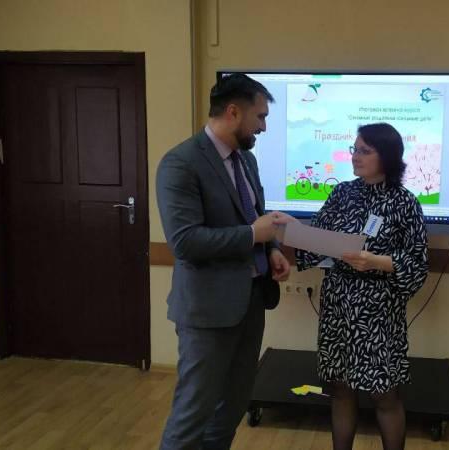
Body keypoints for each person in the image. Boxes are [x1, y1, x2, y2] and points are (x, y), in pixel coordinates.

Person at [156, 73, 291, 450]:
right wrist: (252, 236)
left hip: (250, 302)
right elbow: (185, 242)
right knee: (192, 415)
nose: (263, 127)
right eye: (260, 117)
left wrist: (271, 249)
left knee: (231, 409)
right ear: (233, 112)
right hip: (207, 312)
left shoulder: (246, 160)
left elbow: (255, 216)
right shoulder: (180, 163)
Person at [291, 123, 429, 450]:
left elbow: (418, 263)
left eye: (365, 151)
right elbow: (315, 242)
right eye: (355, 149)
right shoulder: (342, 193)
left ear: (388, 156)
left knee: (385, 394)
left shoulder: (405, 202)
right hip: (338, 306)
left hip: (378, 312)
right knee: (340, 389)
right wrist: (292, 230)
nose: (355, 156)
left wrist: (376, 261)